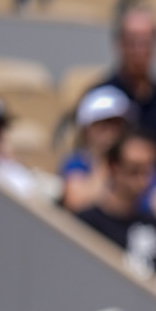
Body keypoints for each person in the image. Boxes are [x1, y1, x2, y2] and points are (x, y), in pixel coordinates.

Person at [76, 132, 156, 282]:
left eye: (149, 169)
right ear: (113, 166)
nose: (143, 179)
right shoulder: (86, 223)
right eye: (135, 169)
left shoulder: (153, 224)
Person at [92, 7, 156, 155]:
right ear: (120, 44)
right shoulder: (99, 97)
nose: (138, 50)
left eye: (145, 43)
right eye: (132, 42)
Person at [60, 87, 134, 215]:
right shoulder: (76, 163)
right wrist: (106, 164)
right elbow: (75, 202)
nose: (112, 132)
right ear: (86, 130)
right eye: (104, 124)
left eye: (118, 124)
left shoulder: (138, 166)